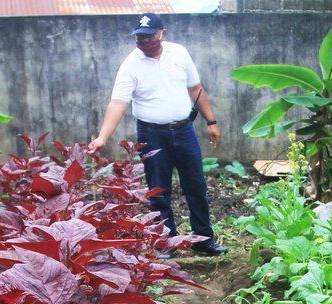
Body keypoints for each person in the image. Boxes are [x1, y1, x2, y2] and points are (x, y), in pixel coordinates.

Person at [88, 13, 228, 256]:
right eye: (140, 38)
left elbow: (195, 88)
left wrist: (211, 121)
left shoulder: (179, 53)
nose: (145, 42)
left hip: (185, 130)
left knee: (196, 185)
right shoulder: (131, 64)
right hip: (152, 134)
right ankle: (166, 242)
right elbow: (118, 103)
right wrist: (102, 137)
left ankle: (203, 239)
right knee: (158, 190)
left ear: (163, 33)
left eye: (150, 36)